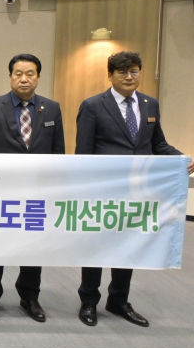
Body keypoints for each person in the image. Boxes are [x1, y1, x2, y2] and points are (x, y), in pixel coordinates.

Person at [75, 51, 194, 328]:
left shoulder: (150, 104)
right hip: (103, 190)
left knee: (128, 245)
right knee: (96, 246)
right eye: (122, 72)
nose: (129, 77)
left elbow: (158, 144)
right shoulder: (93, 105)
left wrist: (181, 158)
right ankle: (88, 301)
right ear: (110, 75)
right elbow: (84, 153)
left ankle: (118, 300)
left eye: (134, 72)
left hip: (138, 190)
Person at [0, 53, 65, 323]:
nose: (24, 79)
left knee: (33, 247)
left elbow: (57, 153)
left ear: (38, 77)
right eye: (18, 73)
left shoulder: (51, 108)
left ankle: (30, 297)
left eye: (30, 74)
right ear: (10, 76)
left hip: (37, 193)